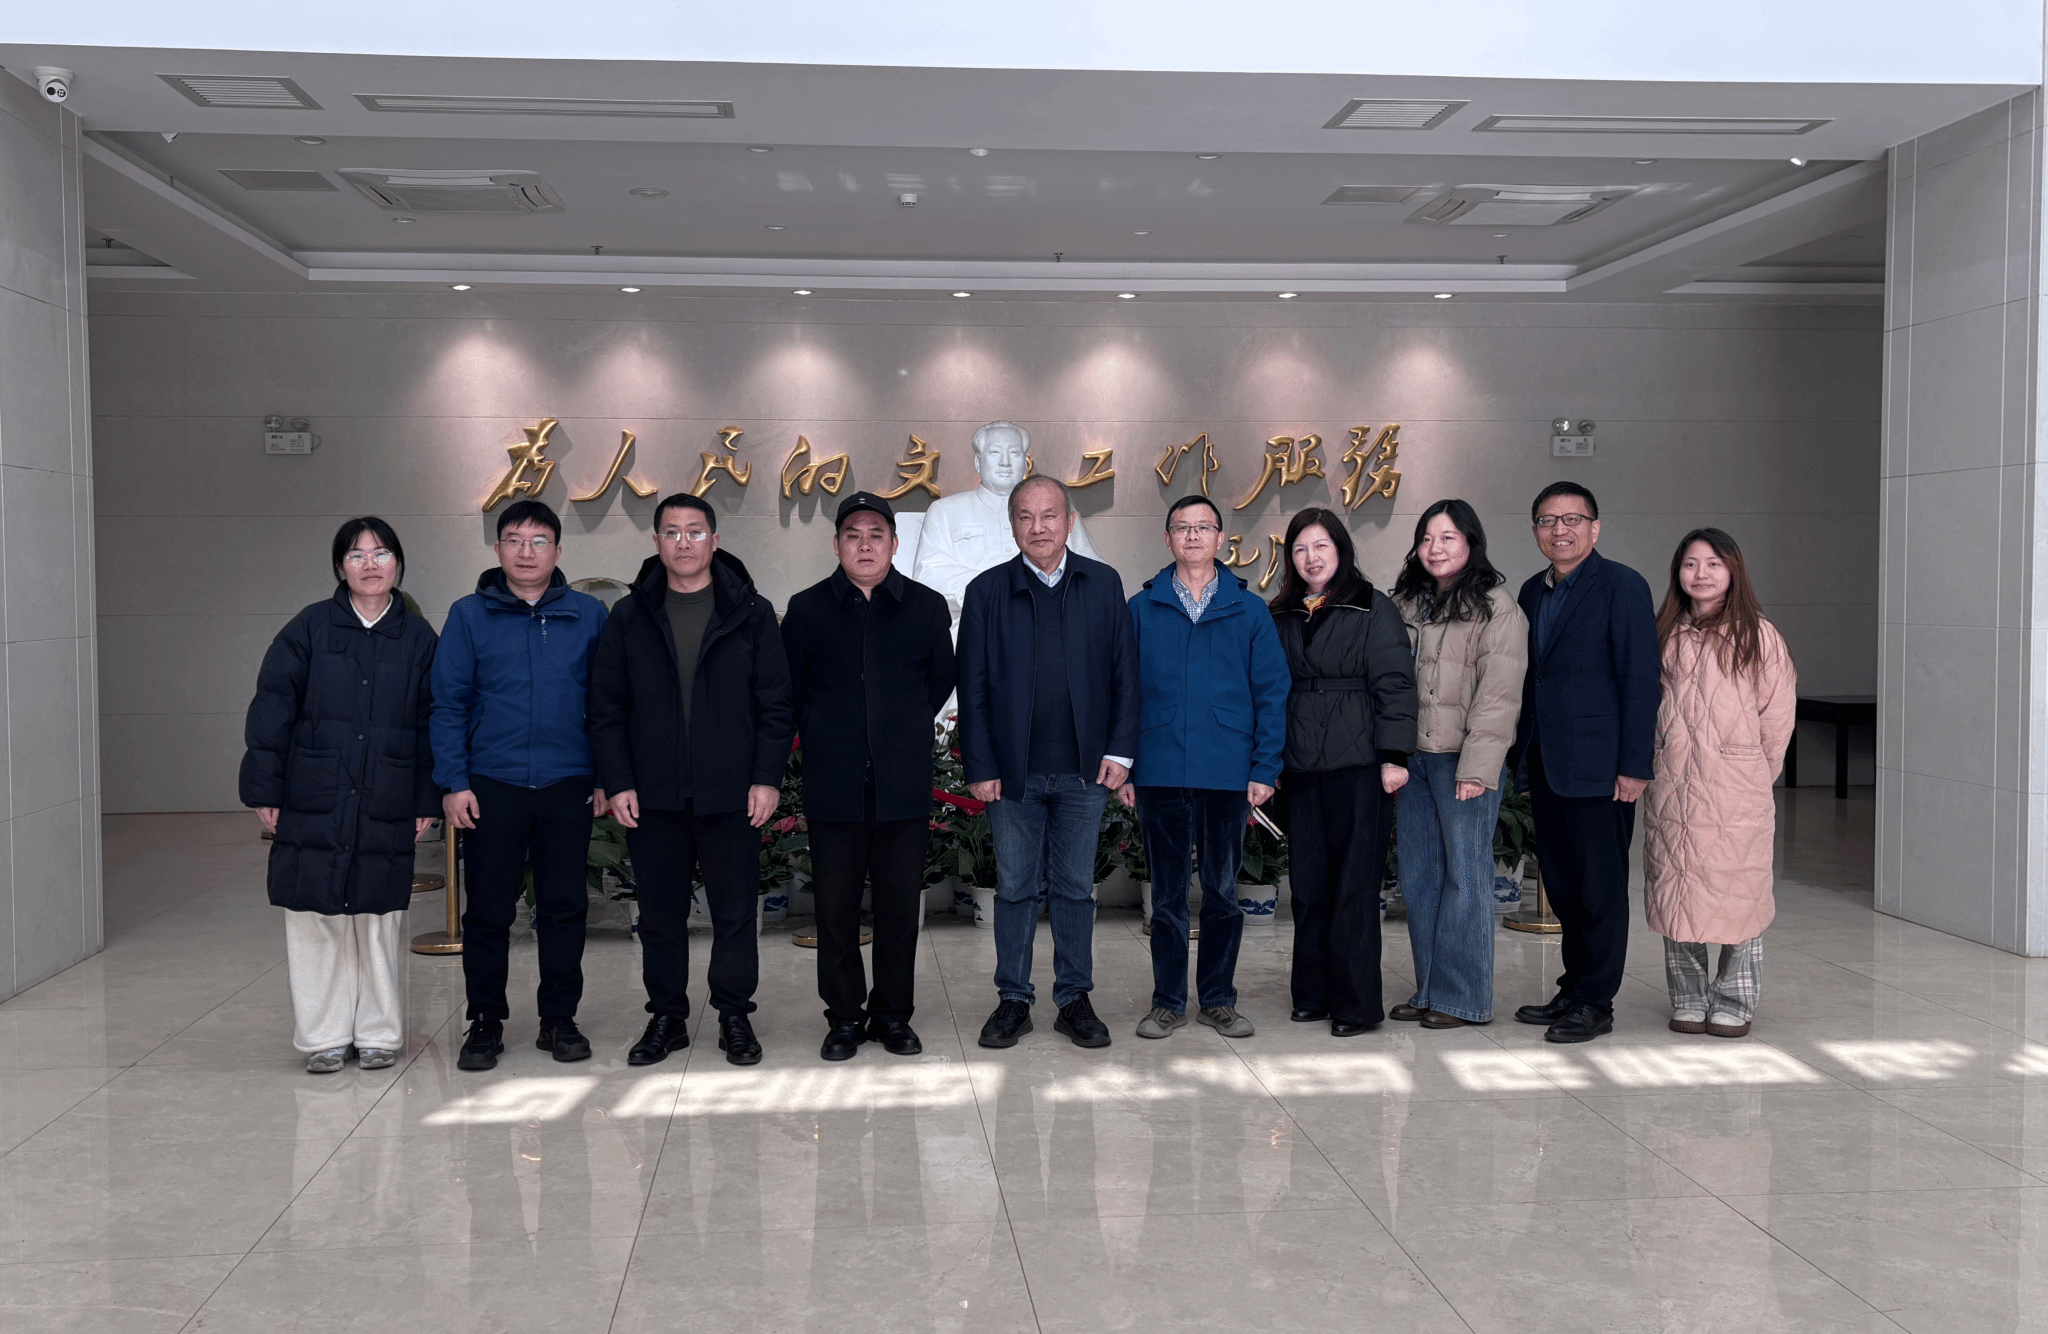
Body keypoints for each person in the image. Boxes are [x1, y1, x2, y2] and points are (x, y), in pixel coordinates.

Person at [589, 492, 794, 1067]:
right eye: (672, 532)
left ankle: (734, 1015)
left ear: (715, 540)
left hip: (732, 791)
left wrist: (766, 777)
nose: (684, 542)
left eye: (695, 531)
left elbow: (776, 705)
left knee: (734, 912)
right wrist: (618, 781)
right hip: (652, 795)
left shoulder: (750, 612)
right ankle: (667, 1017)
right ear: (656, 541)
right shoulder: (629, 616)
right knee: (659, 915)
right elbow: (606, 708)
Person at [241, 518, 440, 1073]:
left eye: (381, 553)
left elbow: (434, 722)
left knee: (377, 917)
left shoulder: (419, 638)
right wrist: (265, 787)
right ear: (339, 567)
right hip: (315, 790)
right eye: (356, 555)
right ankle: (323, 1037)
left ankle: (378, 1033)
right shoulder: (309, 628)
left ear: (398, 563)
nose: (370, 564)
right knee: (315, 914)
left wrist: (427, 797)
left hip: (388, 791)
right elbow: (271, 708)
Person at [958, 475, 1137, 1049]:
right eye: (1026, 516)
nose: (1039, 527)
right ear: (1012, 524)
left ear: (1070, 520)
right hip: (1014, 775)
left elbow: (1125, 674)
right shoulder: (987, 591)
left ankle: (1073, 998)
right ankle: (1013, 998)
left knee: (1075, 888)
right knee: (1014, 888)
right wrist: (981, 764)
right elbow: (973, 686)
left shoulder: (1103, 584)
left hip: (1086, 772)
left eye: (1050, 515)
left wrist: (1120, 751)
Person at [781, 492, 957, 1061]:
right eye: (853, 535)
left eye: (876, 535)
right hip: (834, 785)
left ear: (894, 544)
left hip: (901, 785)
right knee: (834, 910)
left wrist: (898, 730)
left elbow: (939, 681)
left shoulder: (925, 607)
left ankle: (892, 1016)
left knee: (899, 909)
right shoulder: (807, 609)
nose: (864, 545)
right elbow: (792, 692)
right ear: (836, 545)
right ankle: (843, 1019)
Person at [433, 499, 608, 1070]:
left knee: (564, 905)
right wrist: (454, 782)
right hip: (492, 783)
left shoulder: (588, 614)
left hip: (568, 780)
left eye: (538, 541)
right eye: (514, 540)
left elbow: (608, 704)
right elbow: (448, 703)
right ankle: (485, 1020)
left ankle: (559, 1018)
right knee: (488, 910)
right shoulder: (468, 614)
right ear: (497, 549)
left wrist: (606, 777)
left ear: (558, 550)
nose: (526, 552)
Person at [1122, 494, 1290, 1041]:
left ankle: (1218, 999)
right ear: (1167, 538)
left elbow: (1272, 692)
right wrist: (1123, 767)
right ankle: (1168, 1001)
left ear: (1221, 538)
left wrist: (1264, 767)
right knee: (1168, 894)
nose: (1192, 536)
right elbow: (1120, 692)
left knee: (1221, 891)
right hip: (1160, 768)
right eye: (1182, 527)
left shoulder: (1250, 610)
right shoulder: (1141, 608)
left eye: (1203, 527)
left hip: (1226, 770)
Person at [1509, 482, 1660, 1044]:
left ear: (1595, 528)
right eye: (1548, 520)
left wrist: (1634, 765)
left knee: (1600, 890)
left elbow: (1641, 681)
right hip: (1548, 764)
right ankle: (1573, 988)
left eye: (1572, 519)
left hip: (1602, 768)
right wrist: (1523, 761)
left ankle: (1596, 1002)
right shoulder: (1532, 591)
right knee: (1565, 888)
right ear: (1535, 531)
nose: (1560, 530)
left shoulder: (1622, 585)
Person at [1269, 508, 1417, 1037]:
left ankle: (1355, 1005)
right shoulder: (1281, 613)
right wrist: (1270, 761)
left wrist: (1394, 756)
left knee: (1355, 886)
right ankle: (1312, 994)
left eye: (1321, 547)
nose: (1311, 558)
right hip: (1300, 766)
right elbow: (1267, 689)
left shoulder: (1372, 607)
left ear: (1341, 551)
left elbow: (1395, 684)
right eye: (1300, 549)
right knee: (1309, 885)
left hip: (1359, 767)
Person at [1643, 529, 1795, 1039]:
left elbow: (1777, 718)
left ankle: (1734, 999)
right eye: (1691, 564)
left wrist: (1751, 774)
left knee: (1740, 891)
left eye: (1713, 564)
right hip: (1672, 784)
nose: (1701, 574)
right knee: (1676, 887)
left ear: (1733, 571)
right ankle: (1688, 997)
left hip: (1736, 789)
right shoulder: (1664, 633)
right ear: (1677, 573)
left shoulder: (1759, 636)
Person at [1390, 500, 1527, 1029]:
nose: (1436, 548)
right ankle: (1430, 989)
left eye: (1448, 537)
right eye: (1427, 538)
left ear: (1471, 542)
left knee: (1466, 879)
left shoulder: (1496, 607)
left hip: (1462, 763)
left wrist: (1478, 768)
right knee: (1421, 878)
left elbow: (1499, 696)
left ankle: (1464, 999)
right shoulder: (1406, 602)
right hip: (1414, 763)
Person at [910, 421, 1102, 619]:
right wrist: (996, 588)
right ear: (978, 462)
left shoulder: (1059, 510)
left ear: (1026, 463)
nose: (1005, 462)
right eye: (995, 452)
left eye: (1014, 453)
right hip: (974, 620)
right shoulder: (945, 511)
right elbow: (928, 575)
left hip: (1047, 618)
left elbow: (1094, 572)